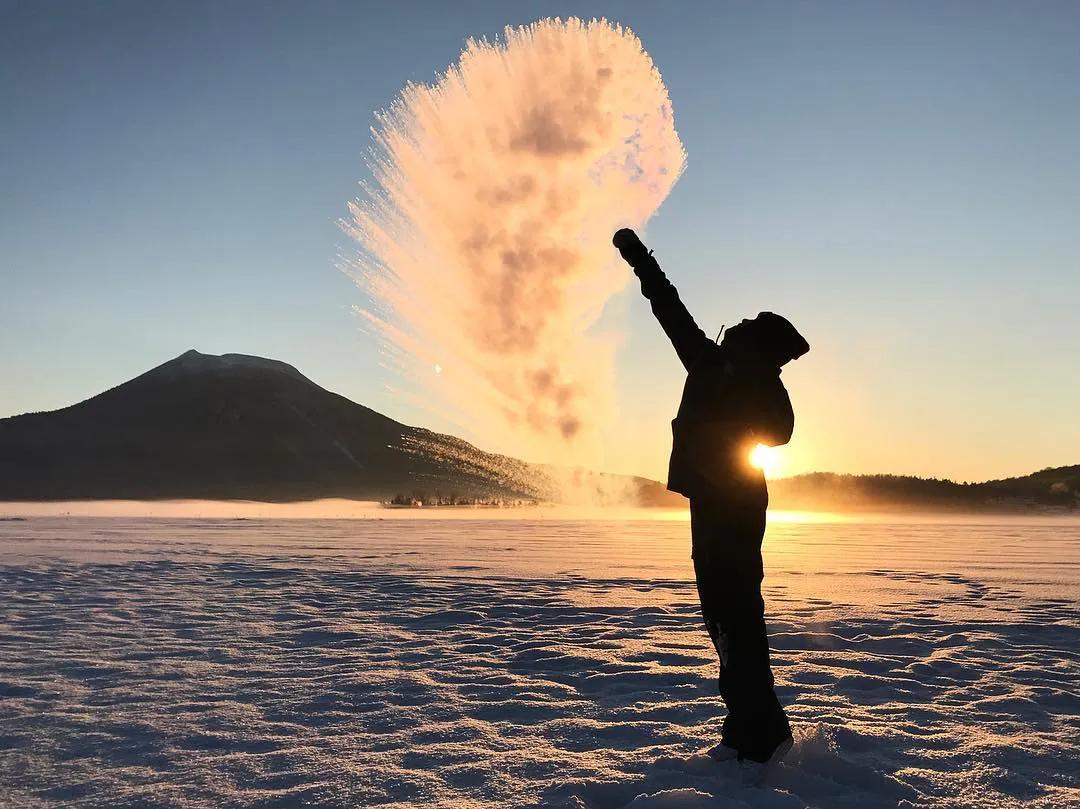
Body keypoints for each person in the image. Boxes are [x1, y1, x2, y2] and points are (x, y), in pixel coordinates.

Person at [613, 228, 809, 783]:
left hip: (737, 504)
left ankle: (762, 738)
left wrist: (730, 412)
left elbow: (782, 431)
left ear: (754, 345)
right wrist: (640, 259)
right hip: (714, 502)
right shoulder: (711, 362)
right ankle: (745, 729)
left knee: (739, 617)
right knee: (723, 619)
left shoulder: (751, 377)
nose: (734, 328)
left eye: (744, 329)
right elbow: (667, 306)